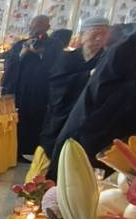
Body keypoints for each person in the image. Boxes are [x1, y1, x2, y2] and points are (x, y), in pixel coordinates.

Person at [50, 2, 136, 177]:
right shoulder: (121, 49)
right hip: (97, 123)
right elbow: (102, 89)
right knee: (85, 174)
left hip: (123, 124)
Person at [38, 18, 109, 162]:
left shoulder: (106, 60)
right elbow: (57, 82)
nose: (99, 39)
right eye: (95, 34)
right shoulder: (67, 57)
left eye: (104, 35)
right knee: (55, 151)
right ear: (82, 35)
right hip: (63, 111)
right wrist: (88, 75)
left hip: (89, 114)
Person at [1, 14, 52, 161]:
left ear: (47, 27)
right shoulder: (21, 44)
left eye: (40, 24)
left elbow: (56, 64)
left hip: (41, 91)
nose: (36, 27)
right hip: (20, 89)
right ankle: (16, 151)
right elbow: (9, 64)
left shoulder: (53, 45)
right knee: (19, 119)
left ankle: (35, 151)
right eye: (34, 24)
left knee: (37, 120)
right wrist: (22, 54)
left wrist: (41, 54)